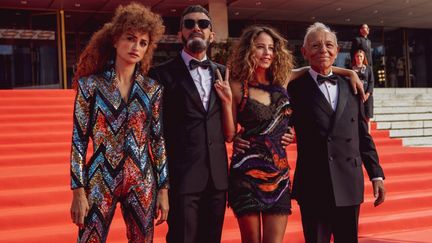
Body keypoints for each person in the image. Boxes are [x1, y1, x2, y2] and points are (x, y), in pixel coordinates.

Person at [217, 26, 368, 243]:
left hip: (278, 172)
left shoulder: (283, 80)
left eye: (271, 48)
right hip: (247, 173)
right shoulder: (237, 85)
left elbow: (314, 69)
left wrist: (350, 72)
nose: (267, 52)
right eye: (260, 47)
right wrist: (226, 103)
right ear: (249, 51)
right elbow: (230, 134)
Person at [69, 3, 168, 242]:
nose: (136, 47)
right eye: (131, 38)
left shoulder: (152, 89)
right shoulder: (90, 86)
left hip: (143, 179)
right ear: (115, 40)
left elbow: (157, 140)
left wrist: (163, 189)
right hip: (100, 177)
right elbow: (79, 141)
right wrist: (78, 191)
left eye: (143, 43)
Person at [287, 22, 386, 243]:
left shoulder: (351, 85)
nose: (323, 50)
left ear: (337, 50)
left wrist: (376, 174)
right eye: (315, 45)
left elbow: (362, 135)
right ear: (304, 52)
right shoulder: (294, 87)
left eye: (329, 45)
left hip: (348, 181)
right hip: (313, 184)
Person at [148, 5, 229, 243]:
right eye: (189, 24)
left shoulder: (223, 73)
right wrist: (161, 183)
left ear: (211, 35)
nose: (196, 28)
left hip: (217, 178)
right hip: (181, 177)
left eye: (203, 24)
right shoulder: (160, 75)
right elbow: (156, 132)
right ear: (179, 34)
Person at [352, 49, 374, 129]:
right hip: (356, 97)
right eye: (357, 56)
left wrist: (367, 95)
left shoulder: (368, 68)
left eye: (361, 56)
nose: (359, 58)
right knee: (357, 117)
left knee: (367, 118)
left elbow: (371, 82)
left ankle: (368, 138)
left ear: (363, 57)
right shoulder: (351, 69)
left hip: (367, 97)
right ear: (355, 57)